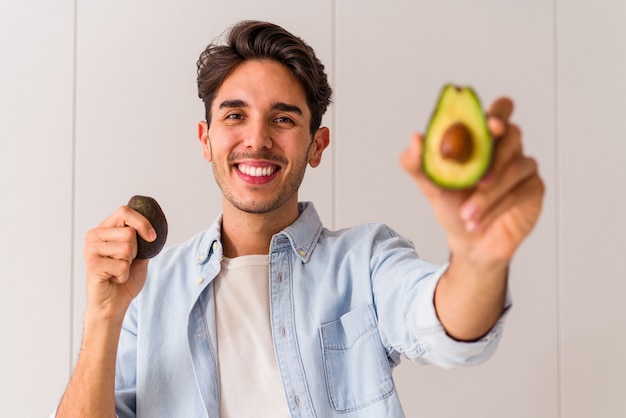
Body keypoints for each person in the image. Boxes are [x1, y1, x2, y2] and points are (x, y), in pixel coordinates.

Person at [54, 20, 544, 417]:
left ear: (316, 146)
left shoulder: (364, 262)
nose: (257, 139)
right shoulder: (150, 290)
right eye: (234, 115)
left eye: (283, 118)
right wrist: (104, 314)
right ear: (205, 139)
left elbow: (444, 323)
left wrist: (478, 261)